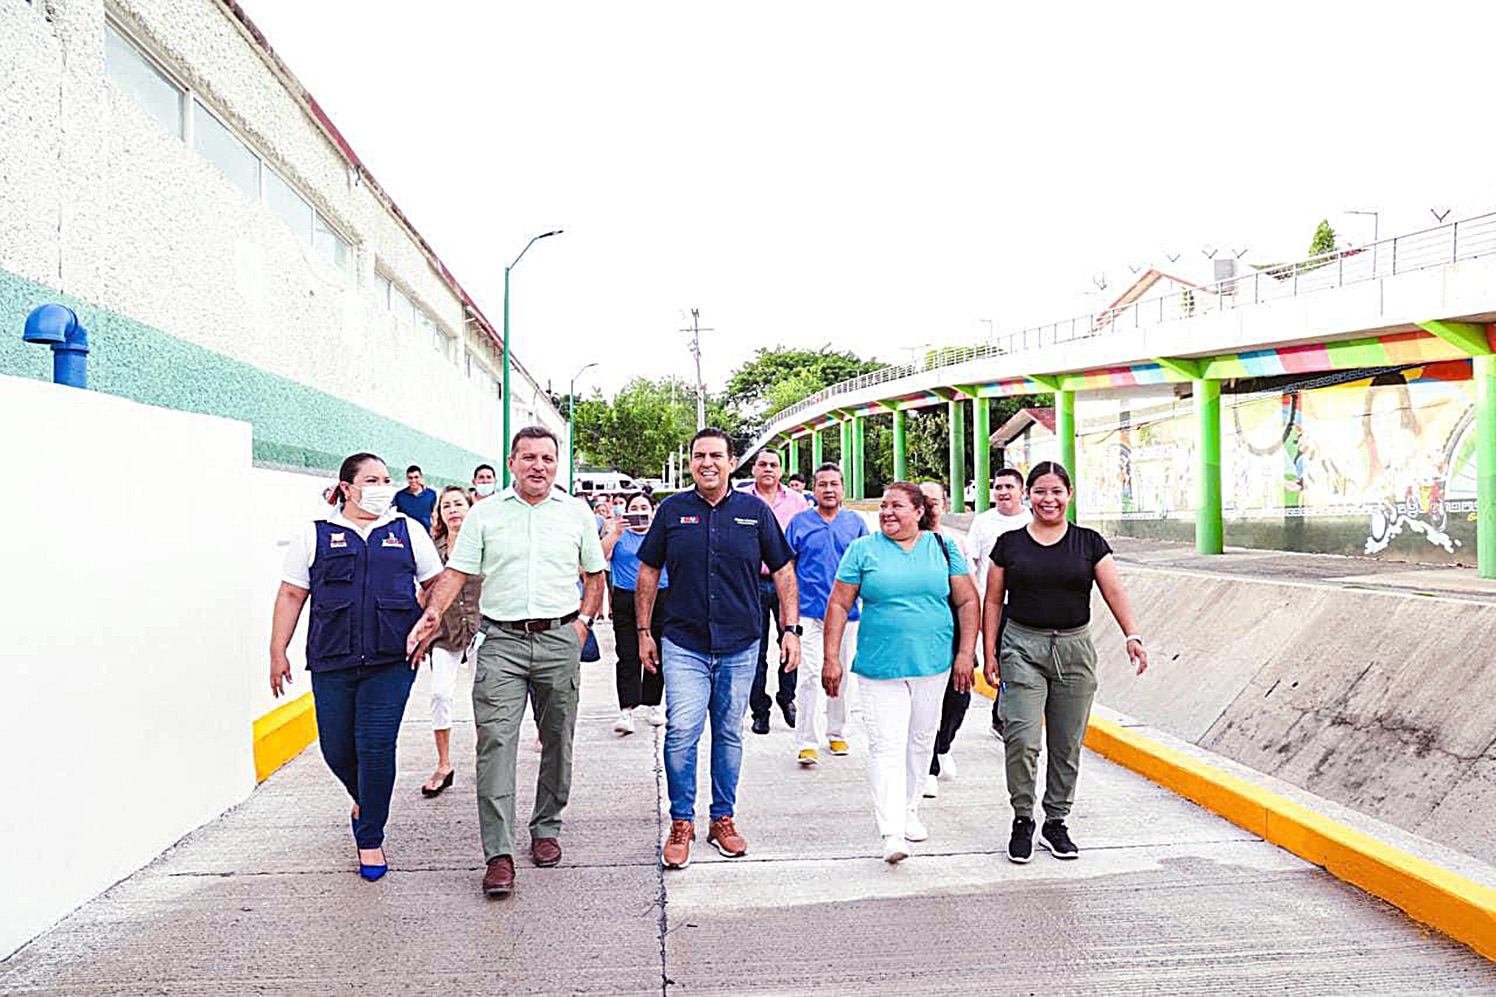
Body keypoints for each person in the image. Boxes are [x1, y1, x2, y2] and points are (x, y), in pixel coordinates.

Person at [408, 427, 606, 899]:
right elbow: (457, 571)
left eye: (548, 458)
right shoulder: (487, 515)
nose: (539, 465)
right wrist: (433, 612)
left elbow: (595, 575)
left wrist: (580, 625)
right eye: (529, 457)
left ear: (557, 464)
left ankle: (546, 827)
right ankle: (498, 854)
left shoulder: (576, 512)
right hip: (500, 642)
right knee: (495, 742)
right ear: (512, 461)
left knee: (558, 738)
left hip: (560, 638)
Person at [269, 452, 444, 880]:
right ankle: (365, 799)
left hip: (392, 659)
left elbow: (437, 583)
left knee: (376, 745)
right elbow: (292, 594)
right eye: (372, 479)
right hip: (333, 658)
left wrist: (428, 626)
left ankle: (370, 838)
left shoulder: (408, 531)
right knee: (336, 749)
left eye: (387, 478)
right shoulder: (316, 535)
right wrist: (277, 651)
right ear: (346, 487)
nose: (383, 486)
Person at [636, 428, 800, 870]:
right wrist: (642, 631)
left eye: (715, 456)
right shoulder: (672, 511)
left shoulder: (755, 512)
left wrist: (791, 630)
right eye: (698, 456)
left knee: (728, 733)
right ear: (691, 463)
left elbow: (784, 572)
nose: (706, 463)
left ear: (731, 463)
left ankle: (722, 819)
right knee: (681, 731)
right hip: (683, 642)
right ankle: (682, 822)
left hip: (741, 643)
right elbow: (648, 572)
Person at [982, 461, 1148, 865]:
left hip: (1074, 650)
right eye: (1039, 491)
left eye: (1056, 491)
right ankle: (1023, 818)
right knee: (1021, 738)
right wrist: (989, 653)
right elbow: (991, 599)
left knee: (1066, 743)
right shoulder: (1009, 544)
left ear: (1069, 494)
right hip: (1022, 646)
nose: (1048, 499)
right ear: (1028, 496)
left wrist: (1132, 635)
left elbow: (1113, 590)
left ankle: (1056, 820)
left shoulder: (1089, 543)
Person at [823, 482, 978, 863]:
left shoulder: (943, 549)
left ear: (919, 511)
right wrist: (832, 657)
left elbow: (968, 600)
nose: (887, 512)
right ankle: (891, 832)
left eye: (896, 506)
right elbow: (840, 604)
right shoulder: (863, 550)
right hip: (879, 666)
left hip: (933, 663)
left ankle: (909, 811)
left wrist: (965, 653)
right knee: (885, 746)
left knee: (921, 741)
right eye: (883, 506)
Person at [784, 463, 867, 766]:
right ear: (813, 489)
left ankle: (837, 732)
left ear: (843, 488)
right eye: (822, 484)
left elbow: (866, 567)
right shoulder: (799, 523)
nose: (829, 490)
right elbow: (787, 570)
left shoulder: (855, 524)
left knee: (841, 675)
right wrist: (788, 618)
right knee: (808, 676)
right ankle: (807, 741)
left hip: (847, 615)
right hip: (808, 613)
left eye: (834, 484)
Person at [422, 486, 483, 797]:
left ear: (470, 508)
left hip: (480, 631)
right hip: (444, 634)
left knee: (482, 699)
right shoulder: (432, 548)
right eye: (446, 506)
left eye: (459, 504)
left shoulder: (484, 543)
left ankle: (485, 763)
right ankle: (444, 764)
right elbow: (421, 593)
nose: (453, 510)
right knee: (440, 695)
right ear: (440, 514)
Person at [964, 467, 1031, 736]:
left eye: (1009, 487)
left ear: (1022, 492)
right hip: (992, 605)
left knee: (1020, 662)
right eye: (999, 487)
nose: (1003, 492)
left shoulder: (1032, 519)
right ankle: (1002, 717)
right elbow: (973, 563)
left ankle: (1009, 713)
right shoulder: (983, 522)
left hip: (1026, 603)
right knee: (1002, 660)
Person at [918, 480, 972, 800]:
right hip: (923, 631)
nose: (931, 506)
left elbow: (969, 593)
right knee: (926, 699)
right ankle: (926, 766)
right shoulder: (906, 541)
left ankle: (943, 745)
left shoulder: (954, 543)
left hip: (953, 627)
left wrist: (970, 643)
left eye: (935, 500)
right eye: (924, 500)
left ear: (945, 503)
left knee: (959, 696)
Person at [746, 449, 806, 734]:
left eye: (774, 464)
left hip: (786, 581)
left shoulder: (796, 502)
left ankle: (788, 697)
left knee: (790, 640)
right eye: (762, 464)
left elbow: (804, 543)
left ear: (781, 470)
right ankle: (760, 709)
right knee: (754, 650)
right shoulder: (743, 499)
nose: (768, 469)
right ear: (754, 469)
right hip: (751, 582)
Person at [601, 492, 668, 735]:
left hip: (660, 597)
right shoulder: (619, 536)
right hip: (625, 597)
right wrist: (615, 533)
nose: (639, 511)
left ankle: (653, 702)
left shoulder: (661, 535)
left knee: (657, 651)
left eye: (644, 507)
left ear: (653, 511)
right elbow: (598, 557)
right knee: (627, 652)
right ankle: (626, 709)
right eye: (633, 507)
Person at [394, 464, 438, 533]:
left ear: (421, 477)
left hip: (425, 534)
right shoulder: (399, 496)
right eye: (410, 478)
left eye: (416, 477)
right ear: (407, 478)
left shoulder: (431, 494)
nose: (413, 480)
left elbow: (434, 514)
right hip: (406, 535)